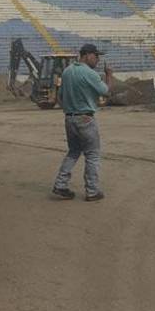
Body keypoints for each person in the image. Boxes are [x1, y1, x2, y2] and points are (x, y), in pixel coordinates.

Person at [52, 43, 113, 202]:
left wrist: (70, 109)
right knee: (92, 154)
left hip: (69, 118)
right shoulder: (90, 73)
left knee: (73, 152)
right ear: (87, 55)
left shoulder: (67, 71)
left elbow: (60, 97)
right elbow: (106, 92)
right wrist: (109, 75)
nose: (98, 59)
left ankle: (60, 184)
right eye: (96, 56)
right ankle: (92, 191)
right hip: (85, 118)